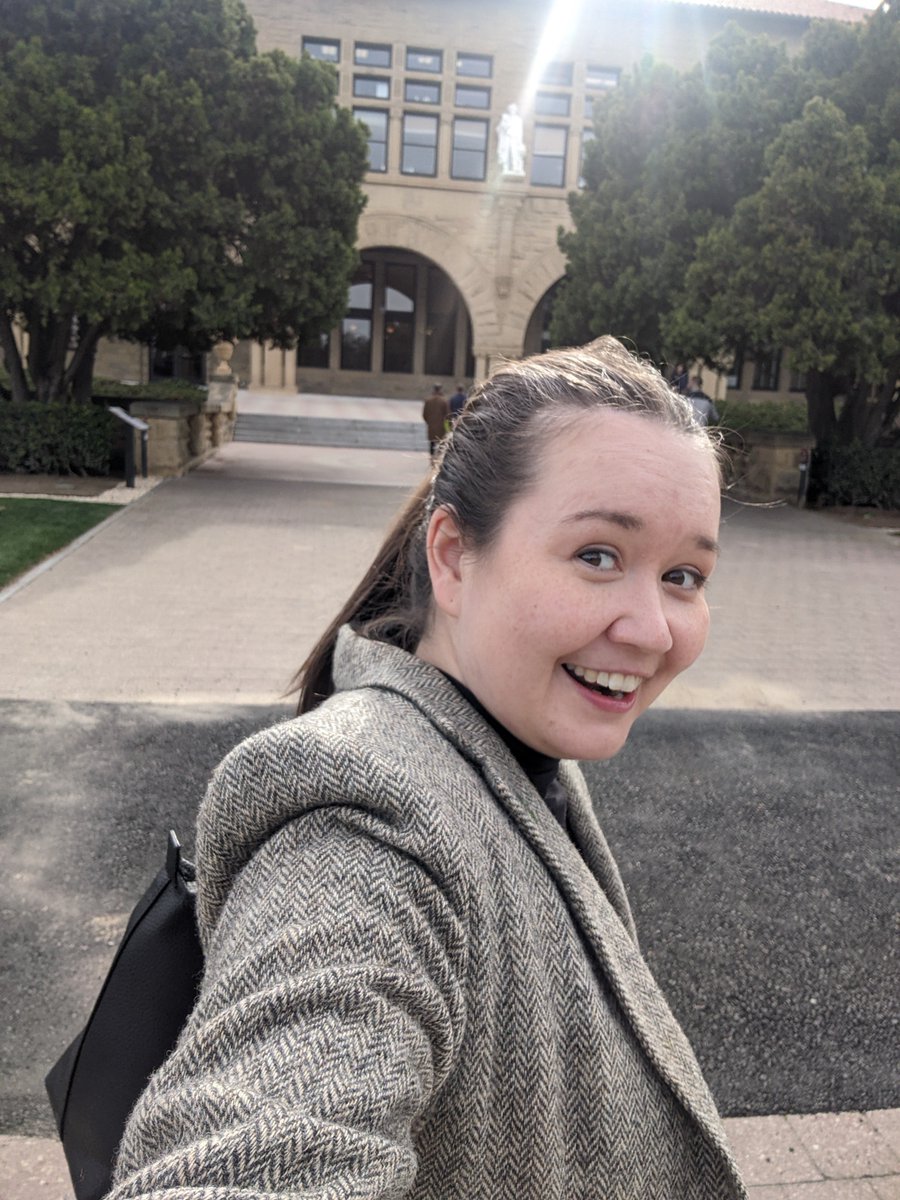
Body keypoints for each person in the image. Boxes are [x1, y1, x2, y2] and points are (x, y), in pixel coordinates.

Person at [109, 338, 746, 1200]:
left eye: (683, 575)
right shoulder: (359, 810)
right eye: (598, 555)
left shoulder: (505, 742)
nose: (653, 629)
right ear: (451, 555)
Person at [497, 102, 526, 175]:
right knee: (506, 152)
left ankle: (515, 168)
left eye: (513, 109)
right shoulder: (505, 118)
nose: (512, 110)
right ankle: (505, 167)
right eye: (511, 109)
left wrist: (520, 142)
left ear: (516, 110)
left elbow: (520, 131)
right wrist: (505, 125)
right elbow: (500, 129)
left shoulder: (518, 120)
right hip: (507, 137)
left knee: (515, 153)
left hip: (515, 138)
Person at [422, 383, 449, 457]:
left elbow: (424, 414)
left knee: (432, 443)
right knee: (441, 442)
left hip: (431, 425)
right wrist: (447, 426)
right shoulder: (444, 401)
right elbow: (447, 415)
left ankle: (432, 458)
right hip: (441, 427)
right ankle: (438, 458)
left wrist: (429, 422)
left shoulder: (428, 401)